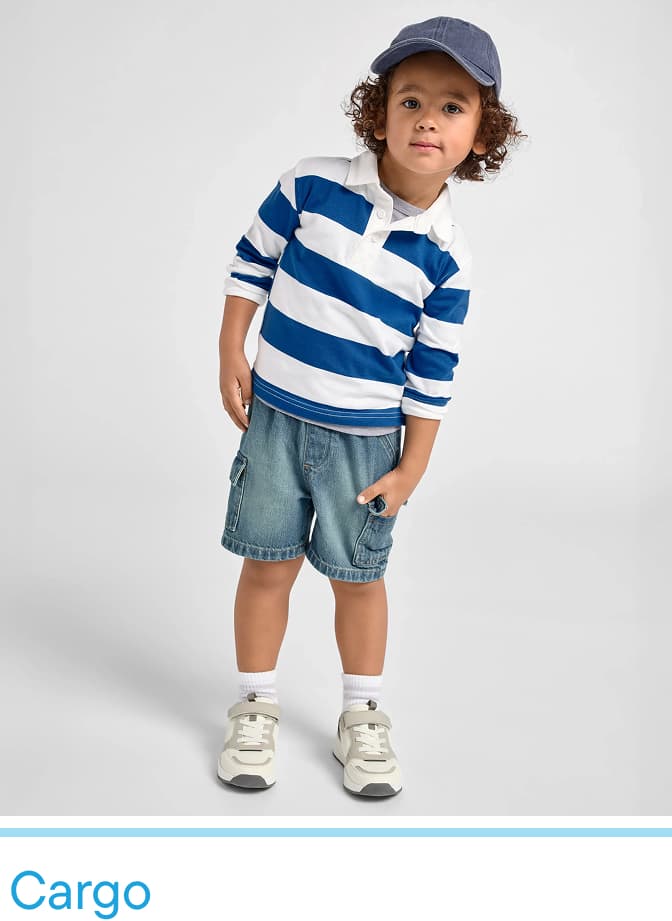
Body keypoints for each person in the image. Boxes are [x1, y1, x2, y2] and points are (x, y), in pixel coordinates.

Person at [216, 16, 524, 796]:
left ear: (481, 136)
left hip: (366, 444)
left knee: (358, 579)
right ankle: (255, 705)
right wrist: (232, 351)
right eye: (410, 99)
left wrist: (412, 466)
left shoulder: (445, 262)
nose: (427, 118)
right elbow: (251, 262)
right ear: (377, 113)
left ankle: (362, 717)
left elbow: (430, 378)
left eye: (453, 107)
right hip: (276, 420)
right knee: (266, 567)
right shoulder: (309, 185)